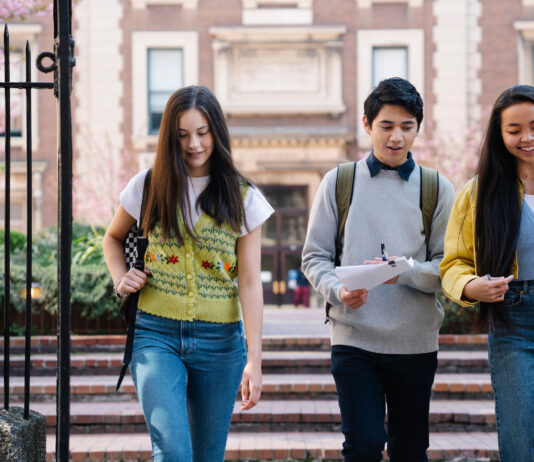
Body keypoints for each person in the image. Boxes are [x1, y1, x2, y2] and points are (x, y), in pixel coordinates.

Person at [103, 85, 273, 462]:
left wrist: (255, 360)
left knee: (205, 456)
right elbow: (112, 239)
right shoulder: (147, 186)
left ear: (217, 132)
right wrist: (120, 277)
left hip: (221, 344)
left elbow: (249, 283)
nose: (193, 144)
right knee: (174, 452)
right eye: (182, 135)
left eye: (202, 132)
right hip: (155, 335)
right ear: (169, 137)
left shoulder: (244, 197)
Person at [302, 77, 455, 462]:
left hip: (415, 342)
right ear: (368, 125)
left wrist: (401, 271)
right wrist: (338, 290)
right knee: (364, 444)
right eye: (386, 126)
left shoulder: (437, 188)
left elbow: (447, 268)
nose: (397, 137)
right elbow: (314, 256)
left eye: (407, 126)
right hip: (354, 337)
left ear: (418, 128)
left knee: (409, 450)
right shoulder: (339, 182)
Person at [440, 85, 534, 461]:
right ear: (499, 134)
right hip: (514, 324)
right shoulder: (479, 192)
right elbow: (453, 263)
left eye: (533, 126)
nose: (526, 137)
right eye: (514, 130)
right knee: (521, 439)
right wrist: (470, 286)